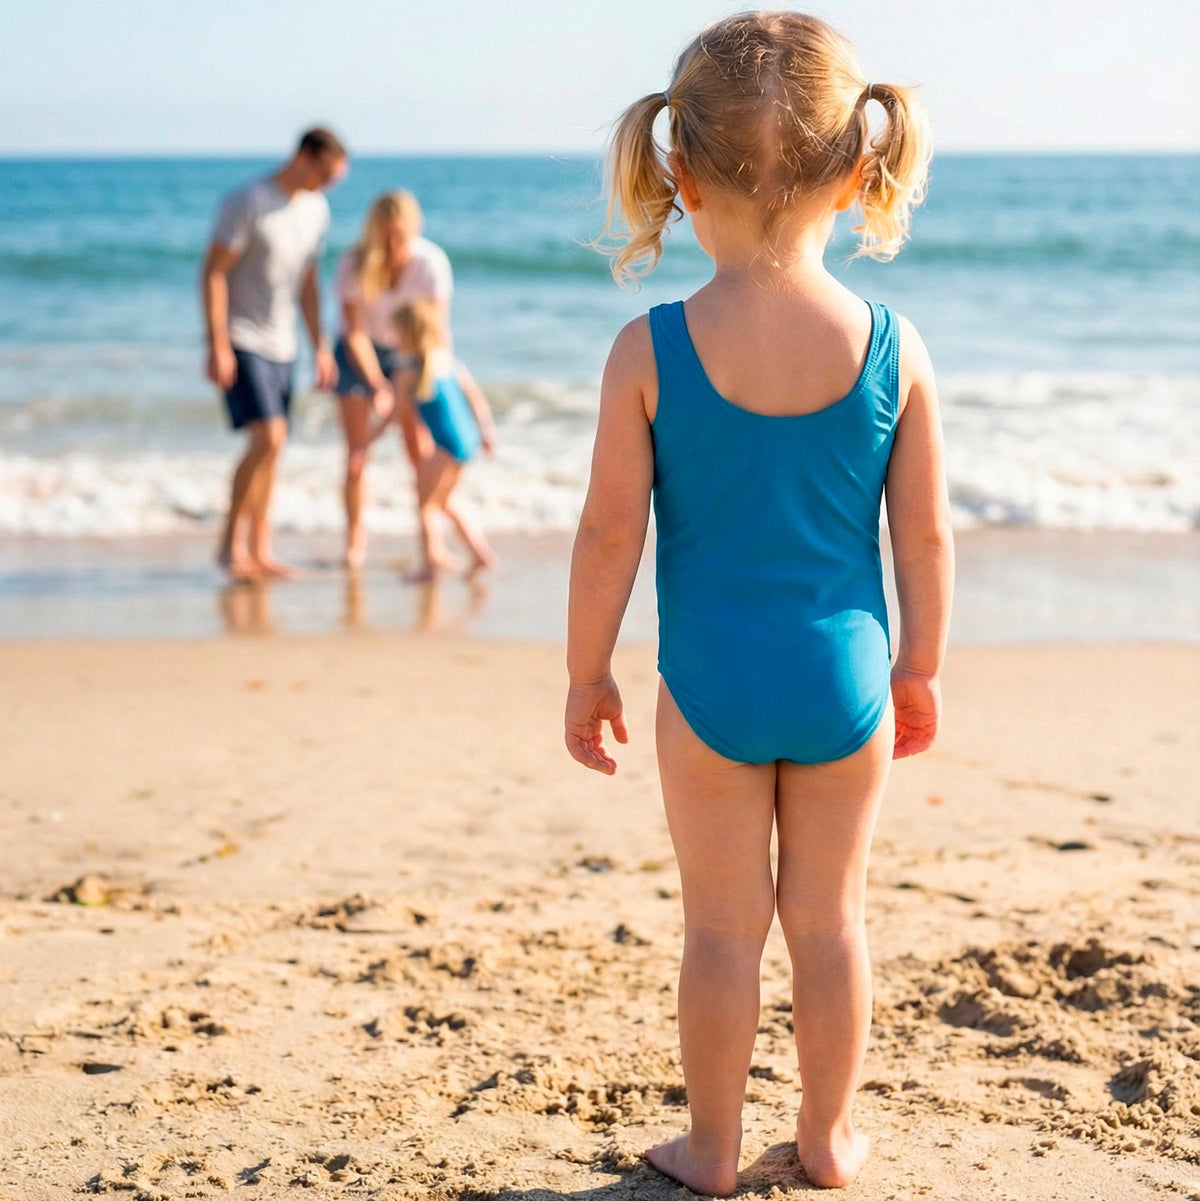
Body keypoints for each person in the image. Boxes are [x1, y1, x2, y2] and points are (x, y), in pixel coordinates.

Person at [564, 12, 952, 1196]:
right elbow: (924, 534)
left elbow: (607, 534)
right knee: (831, 922)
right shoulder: (891, 344)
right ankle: (830, 1139)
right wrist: (921, 666)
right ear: (859, 169)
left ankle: (714, 1149)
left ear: (677, 175)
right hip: (845, 686)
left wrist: (588, 673)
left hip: (711, 689)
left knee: (722, 929)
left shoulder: (650, 348)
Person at [202, 127, 347, 582]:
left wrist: (320, 345)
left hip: (285, 345)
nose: (326, 186)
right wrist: (218, 343)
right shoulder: (247, 200)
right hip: (244, 337)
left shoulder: (316, 209)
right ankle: (230, 548)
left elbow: (307, 283)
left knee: (276, 448)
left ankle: (259, 551)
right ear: (304, 156)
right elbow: (214, 273)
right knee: (268, 438)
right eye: (324, 174)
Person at [332, 191, 454, 567]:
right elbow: (353, 333)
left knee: (417, 446)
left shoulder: (430, 262)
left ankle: (430, 544)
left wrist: (414, 382)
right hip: (359, 352)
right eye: (384, 236)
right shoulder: (353, 264)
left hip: (411, 353)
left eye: (399, 236)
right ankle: (355, 541)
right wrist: (376, 384)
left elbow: (435, 332)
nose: (391, 244)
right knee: (358, 450)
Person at [386, 300, 496, 580]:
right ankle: (481, 555)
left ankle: (430, 566)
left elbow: (395, 415)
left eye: (397, 331)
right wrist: (486, 434)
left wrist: (366, 441)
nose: (393, 338)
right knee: (444, 502)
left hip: (446, 445)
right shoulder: (447, 360)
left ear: (409, 333)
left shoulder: (408, 371)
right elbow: (476, 400)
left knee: (424, 505)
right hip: (466, 441)